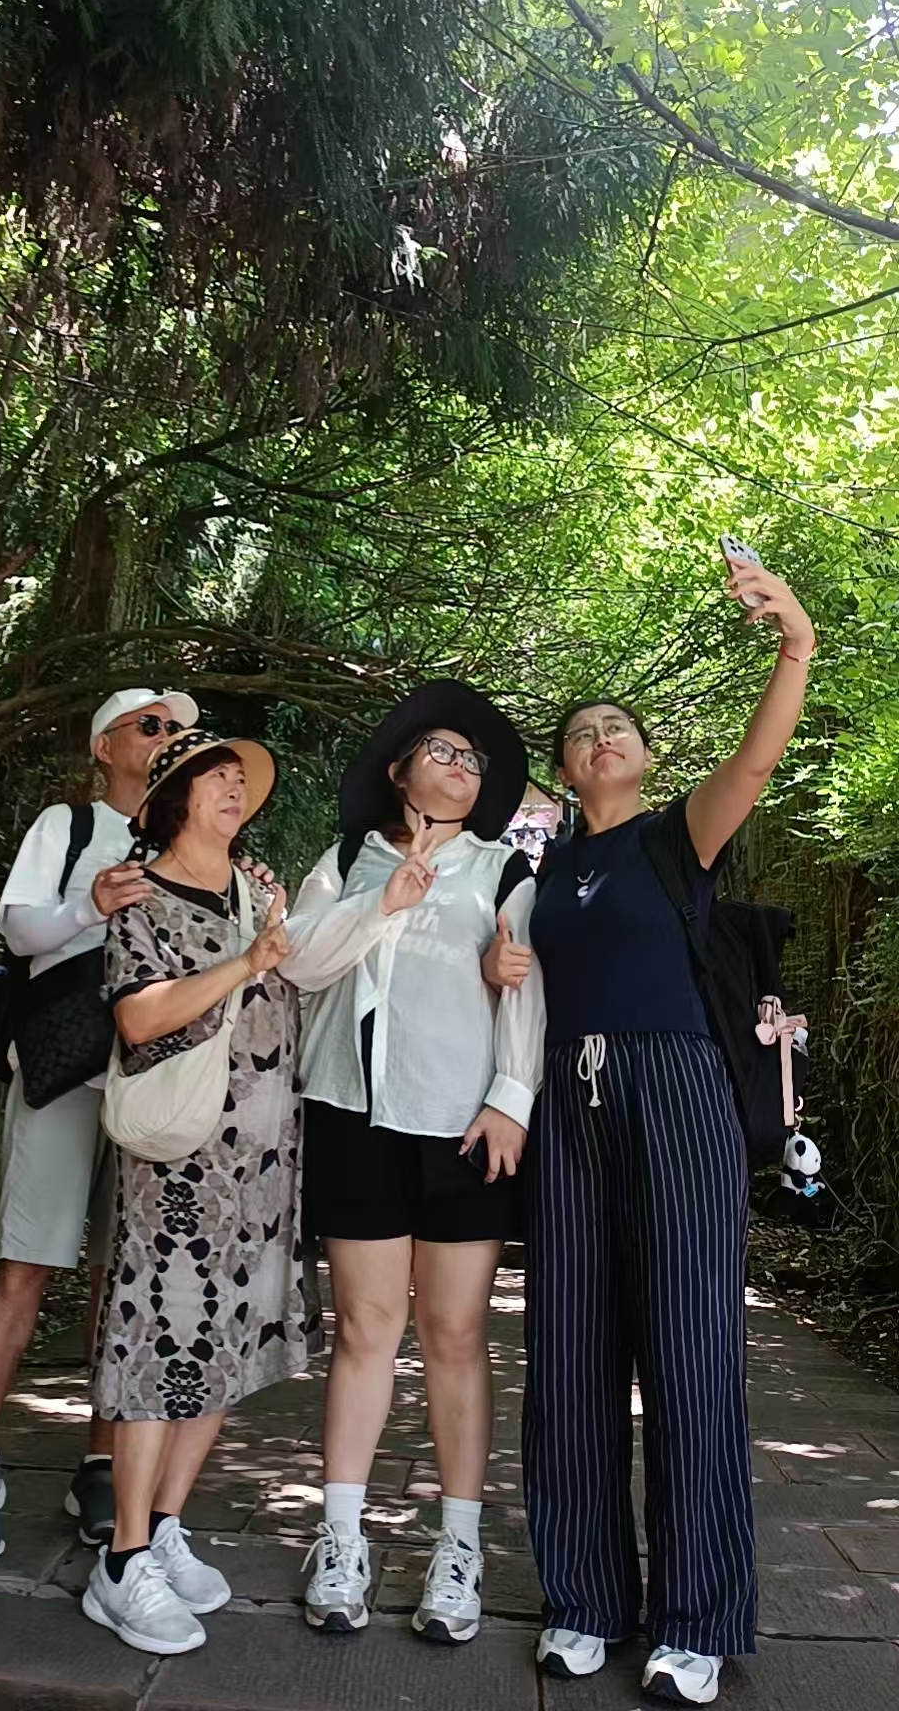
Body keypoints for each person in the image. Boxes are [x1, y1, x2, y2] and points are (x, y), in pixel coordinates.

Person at [511, 561, 815, 1706]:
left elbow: (756, 761)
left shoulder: (676, 836)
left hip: (677, 1092)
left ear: (643, 756)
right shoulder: (545, 872)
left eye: (618, 729)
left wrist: (793, 642)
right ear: (562, 769)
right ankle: (584, 1600)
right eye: (581, 733)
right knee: (568, 1357)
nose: (601, 739)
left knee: (689, 1356)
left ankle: (695, 1619)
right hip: (569, 1099)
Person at [292, 680, 545, 1646]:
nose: (461, 765)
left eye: (473, 759)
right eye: (441, 750)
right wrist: (382, 905)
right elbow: (300, 964)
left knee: (454, 1332)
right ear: (399, 771)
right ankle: (341, 1538)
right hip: (352, 1116)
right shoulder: (345, 862)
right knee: (364, 1329)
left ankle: (459, 1545)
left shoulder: (503, 870)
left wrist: (510, 1098)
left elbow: (525, 988)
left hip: (460, 1124)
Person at [83, 723, 327, 1655]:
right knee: (160, 1346)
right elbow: (140, 1018)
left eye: (238, 777)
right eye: (212, 776)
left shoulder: (256, 890)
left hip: (260, 1165)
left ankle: (165, 1527)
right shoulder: (139, 898)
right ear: (173, 799)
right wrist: (244, 965)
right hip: (178, 1165)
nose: (232, 788)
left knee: (221, 1345)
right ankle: (121, 1560)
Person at [0, 688, 198, 1562]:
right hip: (62, 1070)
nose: (166, 739)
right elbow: (21, 932)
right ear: (105, 746)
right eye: (150, 726)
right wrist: (91, 905)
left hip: (151, 1084)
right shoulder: (69, 825)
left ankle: (99, 1463)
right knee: (27, 1263)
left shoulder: (189, 840)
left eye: (178, 730)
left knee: (118, 1278)